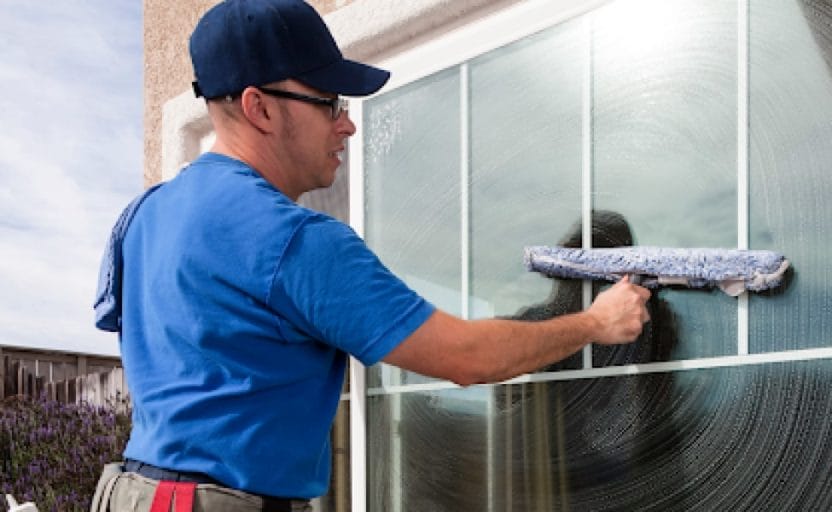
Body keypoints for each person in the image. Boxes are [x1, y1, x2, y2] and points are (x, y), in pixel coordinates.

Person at [89, 1, 651, 510]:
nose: (348, 124)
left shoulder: (141, 217)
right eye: (329, 103)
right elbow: (467, 358)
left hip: (130, 496)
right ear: (260, 108)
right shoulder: (292, 239)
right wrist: (596, 322)